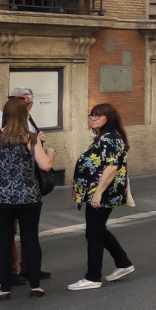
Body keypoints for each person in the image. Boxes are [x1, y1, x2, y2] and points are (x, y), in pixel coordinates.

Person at [0, 98, 54, 299]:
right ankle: (35, 286)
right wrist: (50, 152)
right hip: (28, 195)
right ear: (25, 115)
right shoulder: (31, 138)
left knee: (4, 241)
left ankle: (4, 288)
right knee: (30, 239)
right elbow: (45, 165)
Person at [67, 103, 134, 291]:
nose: (93, 118)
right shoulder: (104, 137)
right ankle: (123, 263)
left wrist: (98, 194)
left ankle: (93, 277)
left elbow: (112, 167)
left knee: (94, 233)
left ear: (108, 118)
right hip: (99, 192)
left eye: (98, 116)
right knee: (96, 230)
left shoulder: (110, 139)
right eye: (92, 115)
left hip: (103, 193)